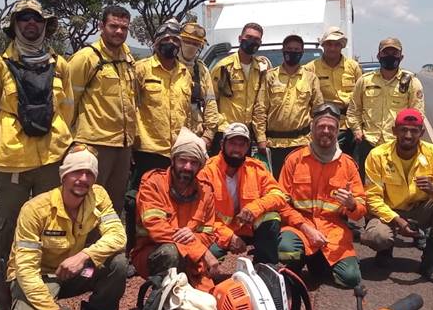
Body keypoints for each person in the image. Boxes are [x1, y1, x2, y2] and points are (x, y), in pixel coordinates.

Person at [0, 0, 74, 310]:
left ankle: (45, 307)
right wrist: (9, 138)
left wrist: (57, 143)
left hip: (51, 162)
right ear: (15, 25)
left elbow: (67, 109)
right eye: (25, 19)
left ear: (46, 26)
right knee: (8, 238)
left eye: (38, 20)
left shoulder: (60, 65)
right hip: (13, 165)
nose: (32, 24)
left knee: (49, 235)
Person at [5, 146, 128, 310]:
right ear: (63, 176)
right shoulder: (35, 210)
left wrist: (84, 256)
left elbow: (118, 236)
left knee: (118, 264)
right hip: (38, 278)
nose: (83, 178)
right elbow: (25, 271)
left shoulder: (98, 196)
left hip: (72, 271)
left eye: (89, 174)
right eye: (76, 172)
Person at [361, 108, 433, 284]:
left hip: (418, 212)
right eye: (403, 129)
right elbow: (372, 198)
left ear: (422, 132)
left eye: (414, 131)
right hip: (389, 212)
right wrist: (397, 221)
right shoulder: (377, 155)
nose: (408, 135)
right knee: (378, 237)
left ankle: (429, 261)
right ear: (394, 131)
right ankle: (384, 250)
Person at [277, 104, 367, 289]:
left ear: (337, 131)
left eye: (331, 128)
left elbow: (360, 210)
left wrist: (351, 205)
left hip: (333, 229)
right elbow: (280, 202)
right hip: (299, 226)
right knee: (286, 250)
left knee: (351, 279)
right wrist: (305, 228)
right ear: (312, 129)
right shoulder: (295, 160)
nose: (326, 131)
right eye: (321, 127)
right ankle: (298, 264)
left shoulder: (348, 165)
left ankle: (317, 260)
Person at [67, 5, 137, 217]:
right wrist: (70, 143)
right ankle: (84, 249)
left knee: (113, 204)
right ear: (101, 26)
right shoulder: (87, 58)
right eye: (113, 26)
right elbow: (67, 103)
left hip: (123, 146)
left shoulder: (128, 59)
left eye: (124, 28)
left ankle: (107, 248)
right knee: (87, 201)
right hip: (95, 145)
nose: (118, 32)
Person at [130, 127, 220, 292]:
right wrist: (199, 249)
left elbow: (208, 233)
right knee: (170, 252)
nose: (187, 167)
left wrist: (194, 239)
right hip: (152, 251)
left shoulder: (205, 191)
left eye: (193, 163)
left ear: (200, 166)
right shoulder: (153, 183)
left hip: (191, 258)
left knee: (210, 306)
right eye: (182, 161)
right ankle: (160, 304)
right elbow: (157, 230)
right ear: (173, 160)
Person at [197, 122, 288, 265]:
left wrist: (255, 208)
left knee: (271, 217)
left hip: (248, 227)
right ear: (222, 144)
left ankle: (265, 267)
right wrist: (229, 237)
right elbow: (201, 217)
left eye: (242, 145)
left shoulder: (256, 168)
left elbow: (279, 195)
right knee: (208, 256)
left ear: (247, 147)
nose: (237, 149)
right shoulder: (207, 172)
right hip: (220, 230)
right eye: (233, 143)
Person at [347, 37, 424, 182]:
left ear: (401, 57)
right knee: (367, 184)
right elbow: (354, 110)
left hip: (398, 144)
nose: (390, 57)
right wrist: (357, 130)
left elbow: (417, 115)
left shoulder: (412, 83)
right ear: (378, 56)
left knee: (396, 183)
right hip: (369, 142)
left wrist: (410, 137)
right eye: (386, 53)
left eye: (394, 54)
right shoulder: (365, 81)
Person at [130, 20, 192, 189]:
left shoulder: (185, 74)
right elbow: (129, 107)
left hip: (177, 150)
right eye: (165, 40)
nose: (170, 43)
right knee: (141, 199)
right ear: (156, 43)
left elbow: (187, 114)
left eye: (174, 40)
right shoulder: (141, 69)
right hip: (148, 150)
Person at [254, 34, 323, 176]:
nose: (293, 52)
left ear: (302, 53)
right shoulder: (270, 77)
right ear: (283, 50)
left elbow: (318, 111)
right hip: (273, 145)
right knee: (276, 186)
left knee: (300, 184)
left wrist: (316, 140)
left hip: (302, 143)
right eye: (289, 49)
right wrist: (261, 139)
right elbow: (260, 109)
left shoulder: (310, 78)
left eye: (297, 49)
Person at [209, 22, 270, 153]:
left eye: (256, 39)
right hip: (225, 132)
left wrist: (260, 137)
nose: (252, 41)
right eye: (248, 37)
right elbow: (210, 101)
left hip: (246, 134)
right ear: (239, 38)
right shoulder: (223, 67)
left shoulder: (260, 69)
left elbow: (260, 105)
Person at [304, 27, 363, 155]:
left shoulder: (353, 67)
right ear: (323, 45)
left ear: (342, 46)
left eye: (337, 45)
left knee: (351, 165)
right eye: (329, 44)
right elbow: (306, 100)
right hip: (325, 126)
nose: (332, 48)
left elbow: (361, 97)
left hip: (350, 126)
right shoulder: (310, 68)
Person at [179, 21, 223, 150]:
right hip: (170, 138)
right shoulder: (169, 66)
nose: (191, 46)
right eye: (187, 41)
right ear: (179, 41)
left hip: (196, 137)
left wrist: (208, 136)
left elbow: (210, 104)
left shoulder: (202, 70)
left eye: (196, 44)